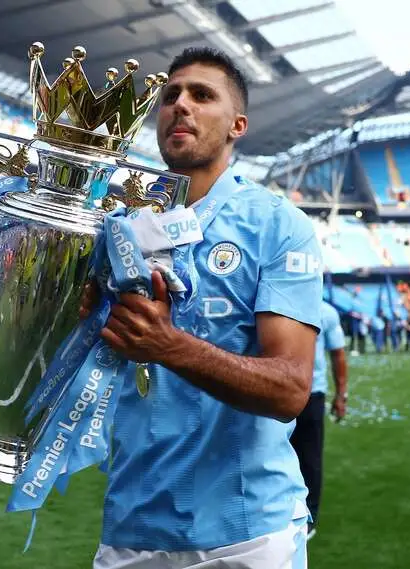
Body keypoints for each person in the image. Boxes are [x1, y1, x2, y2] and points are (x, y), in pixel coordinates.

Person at [81, 47, 323, 568]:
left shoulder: (278, 226)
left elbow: (290, 389)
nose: (180, 105)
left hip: (247, 532)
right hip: (131, 527)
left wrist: (170, 347)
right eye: (170, 96)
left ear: (238, 124)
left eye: (201, 95)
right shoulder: (115, 226)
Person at [290, 300, 348, 540]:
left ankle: (310, 516)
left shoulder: (325, 312)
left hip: (311, 393)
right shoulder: (271, 304)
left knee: (310, 456)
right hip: (273, 388)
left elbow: (338, 354)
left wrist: (341, 395)